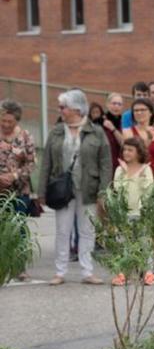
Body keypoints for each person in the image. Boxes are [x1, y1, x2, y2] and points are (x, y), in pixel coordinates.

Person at [39, 89, 112, 285]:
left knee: (87, 230)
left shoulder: (96, 131)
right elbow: (46, 162)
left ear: (77, 109)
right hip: (62, 189)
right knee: (63, 229)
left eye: (64, 107)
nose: (60, 110)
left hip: (89, 188)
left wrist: (104, 191)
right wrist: (41, 191)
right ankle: (60, 271)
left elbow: (106, 163)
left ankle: (87, 271)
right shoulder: (56, 131)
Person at [110, 137, 154, 286]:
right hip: (124, 214)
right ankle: (123, 273)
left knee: (144, 243)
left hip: (141, 213)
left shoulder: (146, 168)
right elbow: (118, 190)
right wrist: (125, 174)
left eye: (130, 150)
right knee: (124, 243)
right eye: (125, 149)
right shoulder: (120, 169)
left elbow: (148, 191)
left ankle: (148, 272)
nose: (126, 152)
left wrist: (141, 176)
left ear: (139, 152)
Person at [0, 99, 36, 215]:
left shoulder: (26, 137)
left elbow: (31, 163)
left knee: (18, 230)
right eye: (3, 120)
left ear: (17, 120)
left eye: (10, 121)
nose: (6, 124)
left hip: (19, 193)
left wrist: (14, 176)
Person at [122, 99, 154, 178]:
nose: (139, 113)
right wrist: (149, 139)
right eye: (136, 110)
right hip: (138, 178)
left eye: (143, 110)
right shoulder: (128, 132)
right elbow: (132, 157)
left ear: (150, 112)